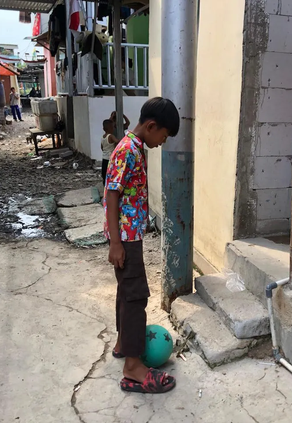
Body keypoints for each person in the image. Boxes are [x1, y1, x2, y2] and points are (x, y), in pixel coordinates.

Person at [103, 97, 180, 394]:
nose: (163, 141)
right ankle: (134, 368)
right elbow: (112, 195)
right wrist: (117, 244)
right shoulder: (128, 151)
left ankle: (124, 343)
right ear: (151, 126)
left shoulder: (134, 147)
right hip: (126, 238)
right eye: (164, 135)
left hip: (128, 236)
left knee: (126, 291)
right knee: (136, 298)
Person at [101, 118, 118, 184]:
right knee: (110, 173)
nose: (114, 129)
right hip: (110, 158)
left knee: (104, 173)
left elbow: (102, 147)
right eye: (113, 127)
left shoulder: (103, 137)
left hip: (104, 158)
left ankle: (105, 185)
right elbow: (117, 141)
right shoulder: (111, 136)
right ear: (111, 128)